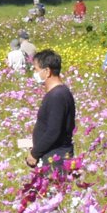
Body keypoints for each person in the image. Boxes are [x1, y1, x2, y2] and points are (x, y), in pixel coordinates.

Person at [17, 48, 77, 204]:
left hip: (55, 158)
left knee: (53, 201)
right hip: (53, 155)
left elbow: (53, 131)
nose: (34, 73)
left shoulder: (58, 95)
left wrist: (34, 153)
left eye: (36, 69)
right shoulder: (59, 93)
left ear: (47, 71)